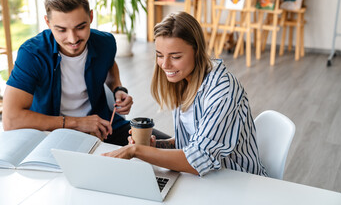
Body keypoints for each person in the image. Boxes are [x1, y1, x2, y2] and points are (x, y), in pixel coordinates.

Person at [103, 11, 267, 177]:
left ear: (196, 51)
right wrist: (153, 147)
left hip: (238, 181)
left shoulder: (223, 91)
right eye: (159, 55)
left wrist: (136, 151)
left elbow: (198, 159)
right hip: (208, 179)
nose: (165, 64)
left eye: (175, 56)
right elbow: (191, 142)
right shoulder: (183, 80)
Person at [2, 0, 168, 146]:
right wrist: (77, 123)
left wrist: (118, 88)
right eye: (61, 30)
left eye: (80, 27)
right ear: (47, 22)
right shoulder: (32, 54)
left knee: (172, 149)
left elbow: (110, 65)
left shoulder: (105, 43)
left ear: (90, 17)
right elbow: (11, 119)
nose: (73, 39)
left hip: (104, 127)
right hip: (52, 136)